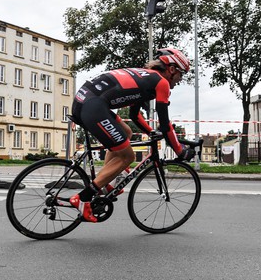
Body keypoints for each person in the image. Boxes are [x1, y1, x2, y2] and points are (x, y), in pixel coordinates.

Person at [69, 47, 196, 222]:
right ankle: (83, 198)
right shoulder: (161, 83)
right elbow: (166, 124)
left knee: (126, 132)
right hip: (93, 105)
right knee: (127, 156)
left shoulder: (146, 78)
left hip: (86, 101)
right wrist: (180, 151)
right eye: (181, 74)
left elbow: (134, 115)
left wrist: (150, 132)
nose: (180, 80)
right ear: (172, 69)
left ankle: (105, 183)